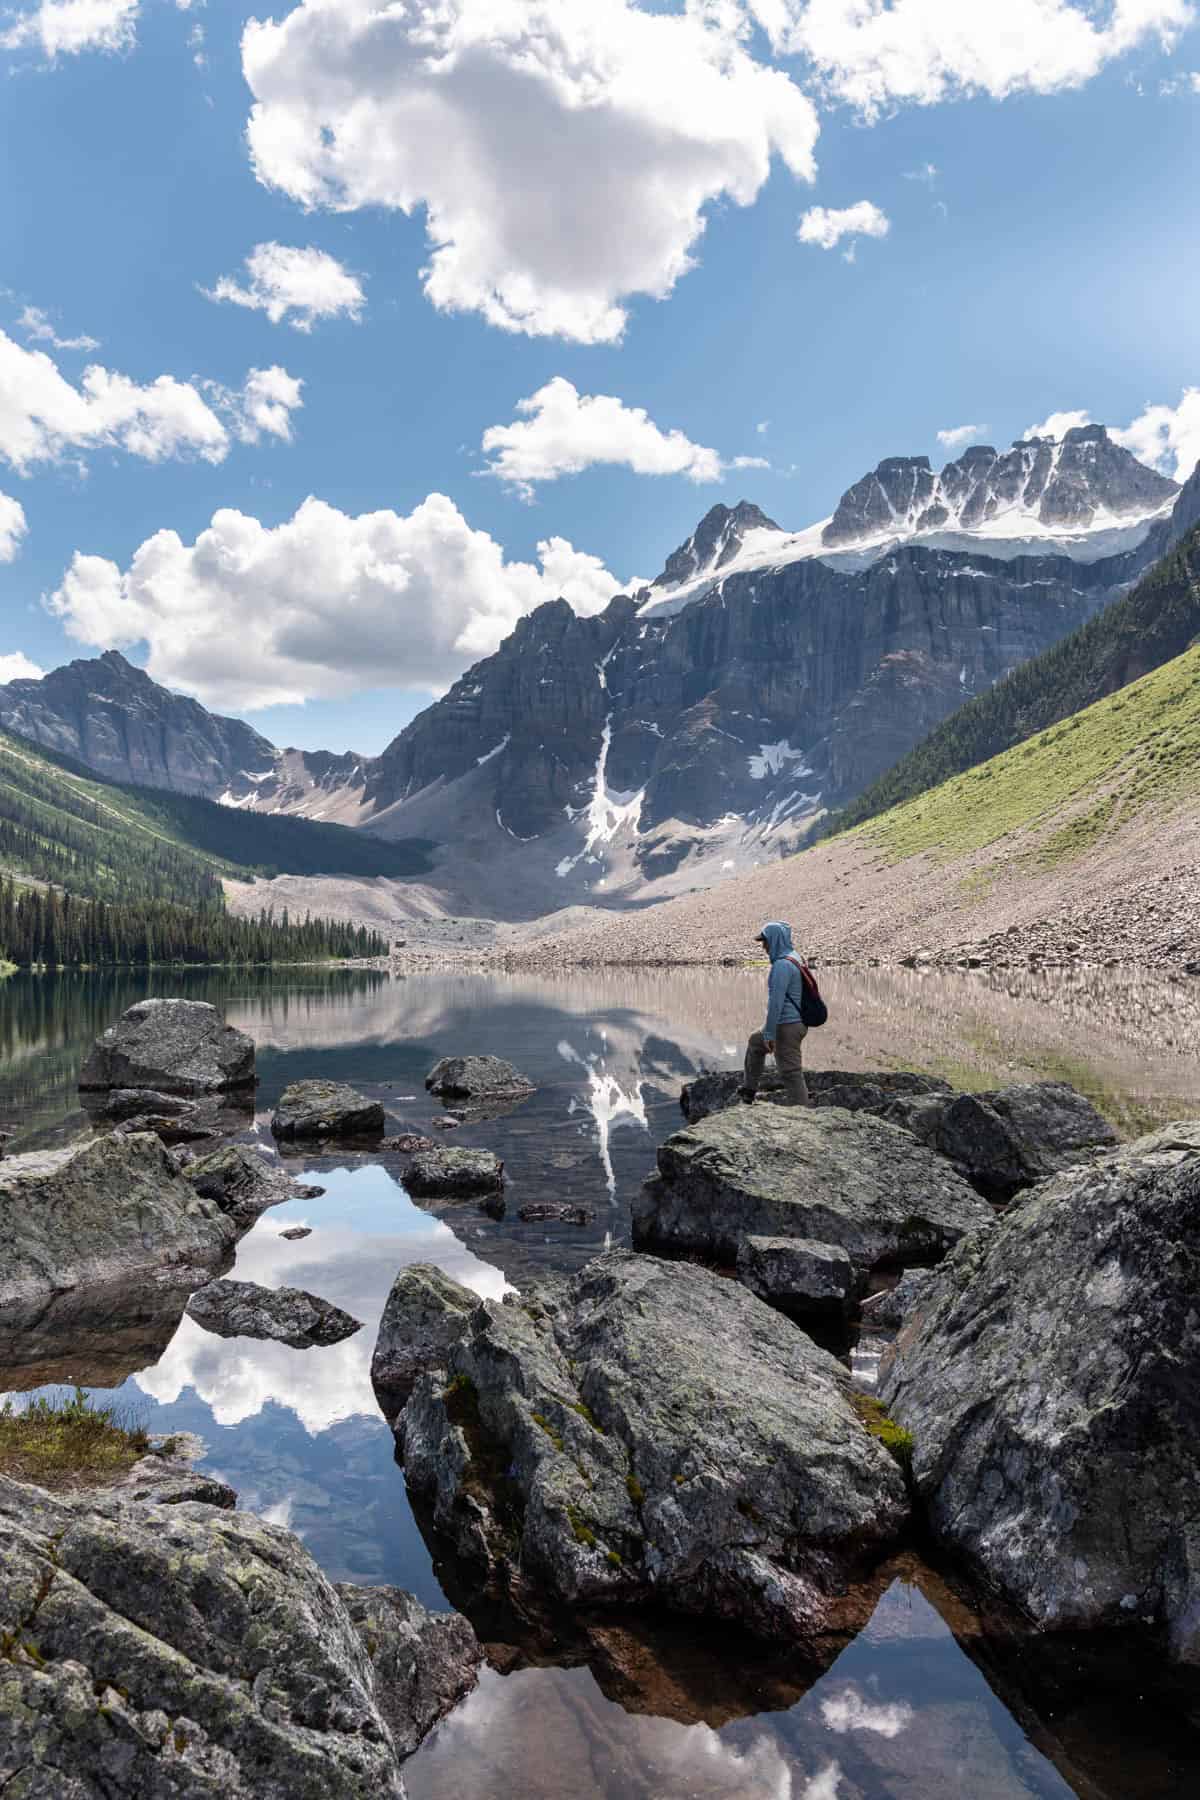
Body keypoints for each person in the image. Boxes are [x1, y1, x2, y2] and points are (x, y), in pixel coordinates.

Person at [739, 920, 811, 1106]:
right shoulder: (795, 957)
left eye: (765, 941)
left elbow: (776, 1004)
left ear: (775, 940)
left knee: (791, 1073)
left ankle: (803, 1116)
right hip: (797, 1021)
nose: (763, 946)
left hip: (786, 1025)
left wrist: (770, 1034)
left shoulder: (781, 966)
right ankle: (749, 1090)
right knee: (755, 1042)